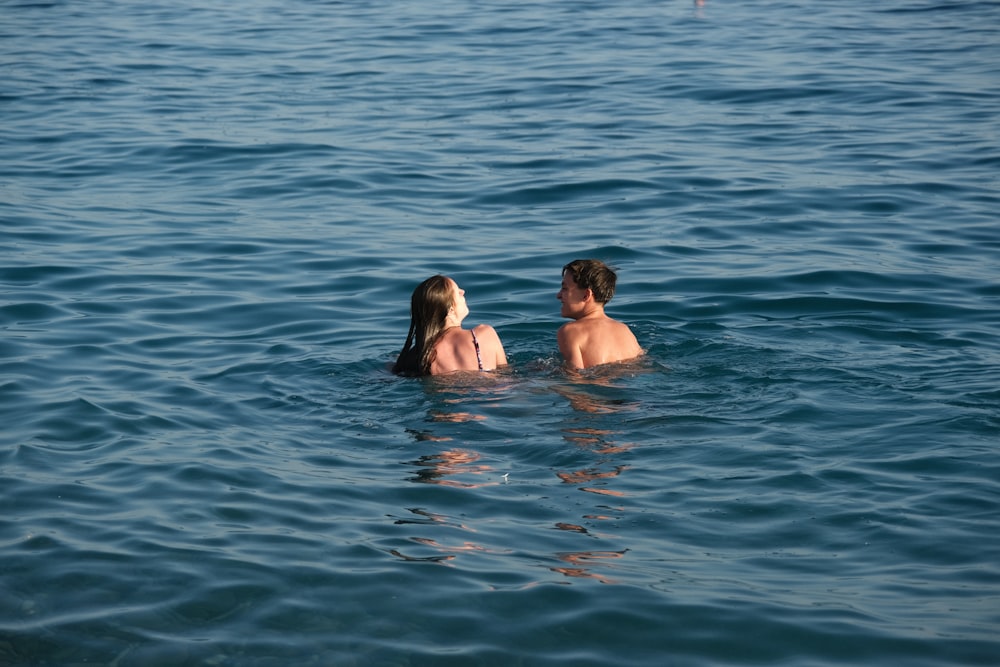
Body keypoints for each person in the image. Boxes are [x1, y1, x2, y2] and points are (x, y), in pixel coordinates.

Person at [393, 275, 507, 376]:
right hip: (486, 397)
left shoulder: (414, 357)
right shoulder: (484, 334)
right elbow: (506, 375)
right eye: (457, 292)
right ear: (451, 310)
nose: (463, 291)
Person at [556, 259, 643, 370]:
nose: (558, 295)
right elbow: (640, 365)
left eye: (564, 289)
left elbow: (574, 378)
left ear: (586, 295)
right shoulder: (624, 329)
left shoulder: (570, 331)